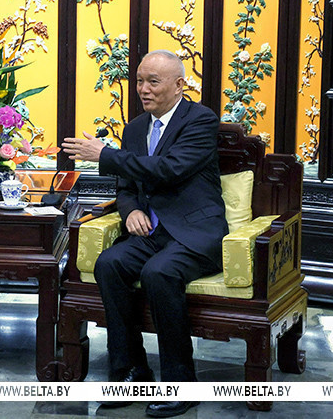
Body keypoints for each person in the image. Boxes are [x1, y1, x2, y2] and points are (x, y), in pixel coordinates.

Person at [62, 50, 227, 418]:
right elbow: (126, 187)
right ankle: (131, 371)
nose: (143, 89)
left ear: (179, 85)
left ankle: (180, 384)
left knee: (159, 272)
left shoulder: (200, 120)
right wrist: (131, 210)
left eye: (153, 81)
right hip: (151, 231)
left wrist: (105, 155)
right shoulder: (135, 128)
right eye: (139, 81)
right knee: (110, 264)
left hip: (194, 232)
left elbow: (169, 169)